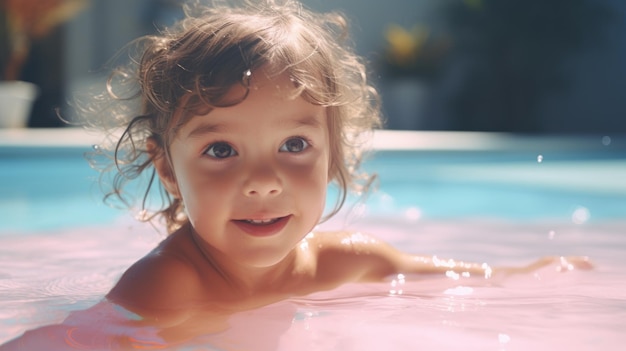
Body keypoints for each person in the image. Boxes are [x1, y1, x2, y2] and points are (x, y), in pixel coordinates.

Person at [0, 0, 591, 349]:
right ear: (169, 171)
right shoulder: (169, 287)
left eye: (293, 144)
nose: (263, 181)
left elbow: (443, 277)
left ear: (333, 153)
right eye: (221, 151)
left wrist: (526, 274)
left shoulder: (347, 261)